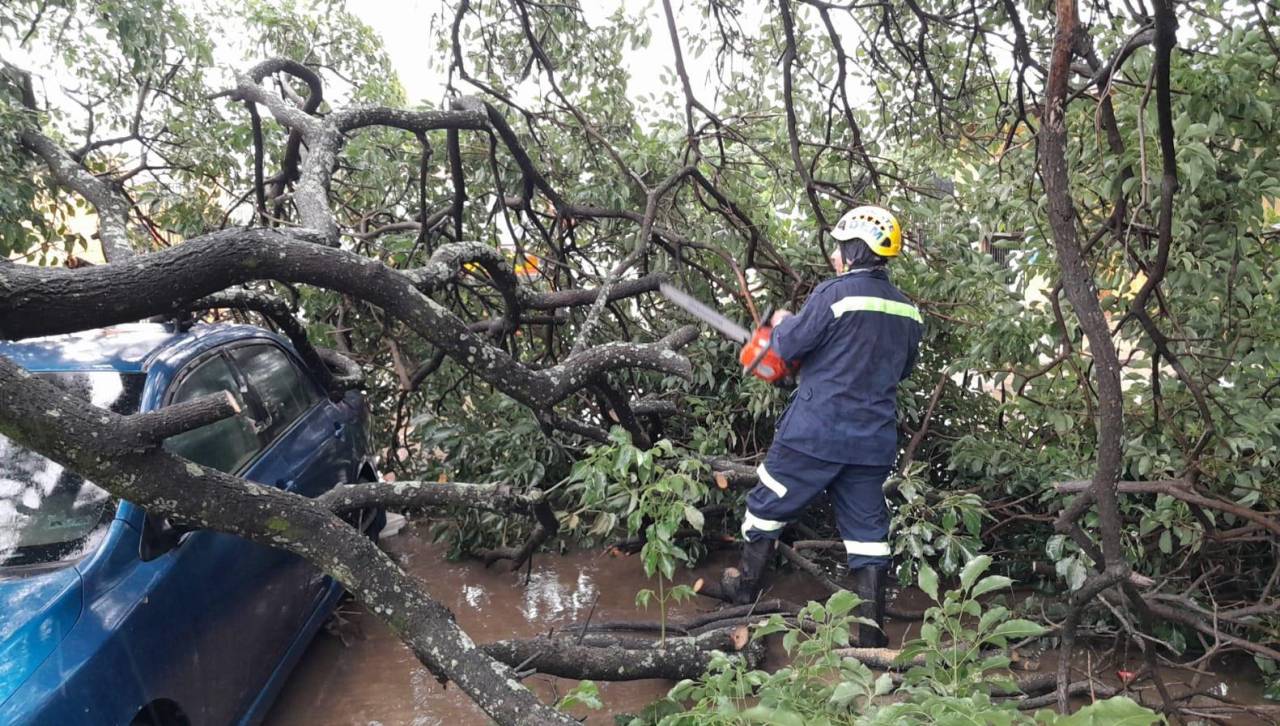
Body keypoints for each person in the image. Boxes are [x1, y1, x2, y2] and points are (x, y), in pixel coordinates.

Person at [721, 205, 923, 647]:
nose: (835, 255)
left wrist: (783, 323)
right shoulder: (910, 313)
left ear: (852, 250)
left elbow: (790, 343)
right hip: (873, 442)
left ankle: (743, 593)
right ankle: (869, 639)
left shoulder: (835, 295)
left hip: (814, 434)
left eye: (838, 247)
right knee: (868, 535)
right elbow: (899, 370)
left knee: (764, 504)